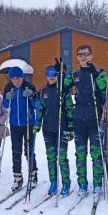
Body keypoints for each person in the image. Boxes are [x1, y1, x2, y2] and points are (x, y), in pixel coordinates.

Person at [63, 44, 108, 199]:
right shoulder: (74, 74)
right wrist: (60, 73)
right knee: (80, 153)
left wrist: (95, 73)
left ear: (91, 56)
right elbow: (61, 86)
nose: (83, 57)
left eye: (86, 54)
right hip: (79, 117)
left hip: (94, 116)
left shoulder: (99, 73)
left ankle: (97, 183)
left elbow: (104, 87)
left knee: (96, 153)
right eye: (80, 55)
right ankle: (82, 183)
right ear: (77, 58)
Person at [2, 66, 39, 192]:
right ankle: (17, 178)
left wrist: (31, 96)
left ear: (22, 77)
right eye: (13, 78)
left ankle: (33, 176)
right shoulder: (8, 87)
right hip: (15, 124)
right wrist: (7, 97)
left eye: (18, 78)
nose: (16, 81)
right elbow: (5, 105)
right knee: (16, 151)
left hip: (28, 123)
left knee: (29, 150)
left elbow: (36, 105)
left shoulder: (29, 87)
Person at [39, 62, 73, 197]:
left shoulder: (63, 91)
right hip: (48, 128)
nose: (51, 77)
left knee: (62, 158)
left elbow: (70, 109)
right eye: (49, 74)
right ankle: (53, 182)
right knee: (51, 157)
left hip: (62, 127)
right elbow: (40, 109)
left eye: (54, 74)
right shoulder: (43, 91)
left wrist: (70, 128)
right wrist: (37, 123)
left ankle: (66, 182)